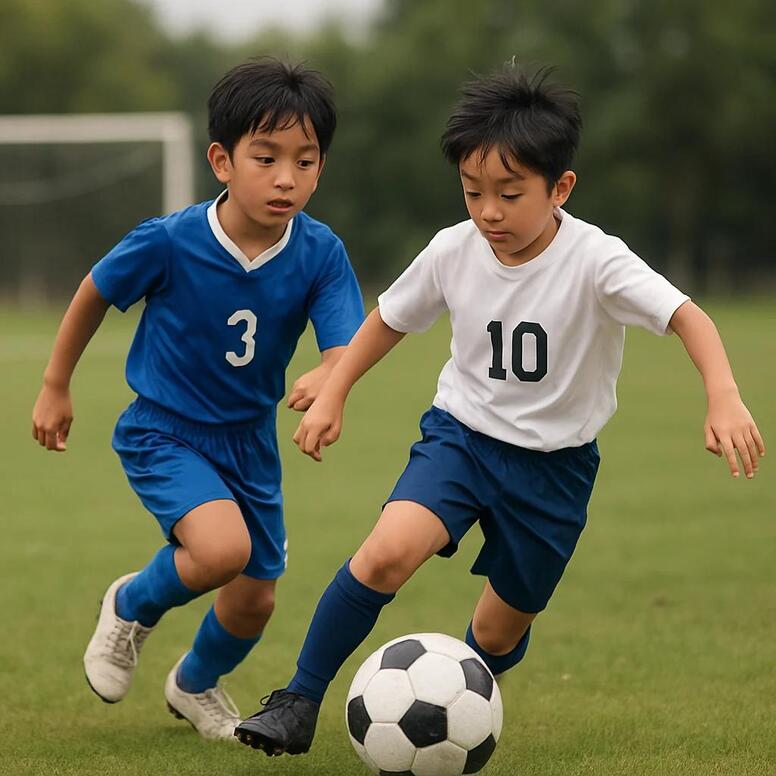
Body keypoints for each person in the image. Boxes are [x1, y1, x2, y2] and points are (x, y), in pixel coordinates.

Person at [233, 61, 765, 756]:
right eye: (472, 192)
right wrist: (335, 389)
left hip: (555, 472)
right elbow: (389, 318)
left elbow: (688, 316)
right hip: (461, 439)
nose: (487, 212)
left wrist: (723, 395)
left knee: (497, 630)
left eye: (509, 195)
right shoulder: (454, 251)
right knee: (386, 554)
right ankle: (297, 701)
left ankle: (464, 699)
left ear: (560, 188)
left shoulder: (597, 260)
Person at [31, 58, 364, 740]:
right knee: (220, 551)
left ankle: (193, 683)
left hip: (250, 441)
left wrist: (332, 378)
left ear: (321, 168)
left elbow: (345, 346)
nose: (285, 178)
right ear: (222, 161)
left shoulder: (320, 253)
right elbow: (94, 292)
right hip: (165, 430)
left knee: (253, 601)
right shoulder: (170, 240)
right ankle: (132, 602)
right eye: (266, 158)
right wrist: (55, 383)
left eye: (304, 162)